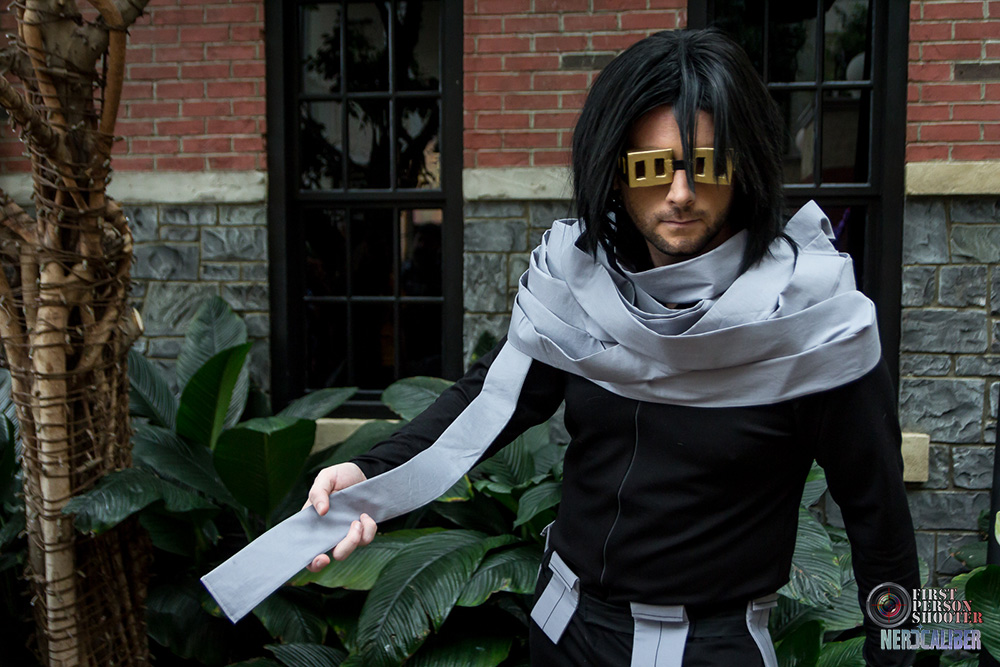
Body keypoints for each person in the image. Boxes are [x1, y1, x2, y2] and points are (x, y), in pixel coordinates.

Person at [304, 28, 919, 667]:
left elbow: (884, 532)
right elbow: (486, 403)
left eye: (706, 166)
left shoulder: (815, 325)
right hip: (562, 631)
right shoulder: (582, 290)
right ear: (616, 175)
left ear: (746, 170)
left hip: (711, 650)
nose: (680, 194)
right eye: (652, 168)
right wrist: (369, 475)